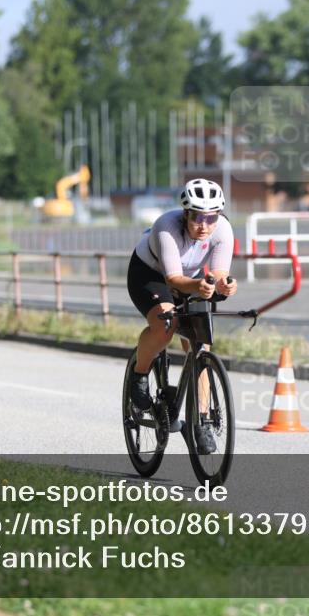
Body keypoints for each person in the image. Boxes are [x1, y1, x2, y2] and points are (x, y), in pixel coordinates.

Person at [125, 179, 237, 453]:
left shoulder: (222, 230)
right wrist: (199, 286)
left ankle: (202, 421)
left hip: (193, 279)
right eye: (198, 217)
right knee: (167, 325)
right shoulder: (167, 227)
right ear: (186, 213)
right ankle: (139, 375)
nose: (204, 225)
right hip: (151, 275)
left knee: (200, 344)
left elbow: (220, 272)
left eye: (211, 218)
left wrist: (224, 285)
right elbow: (173, 279)